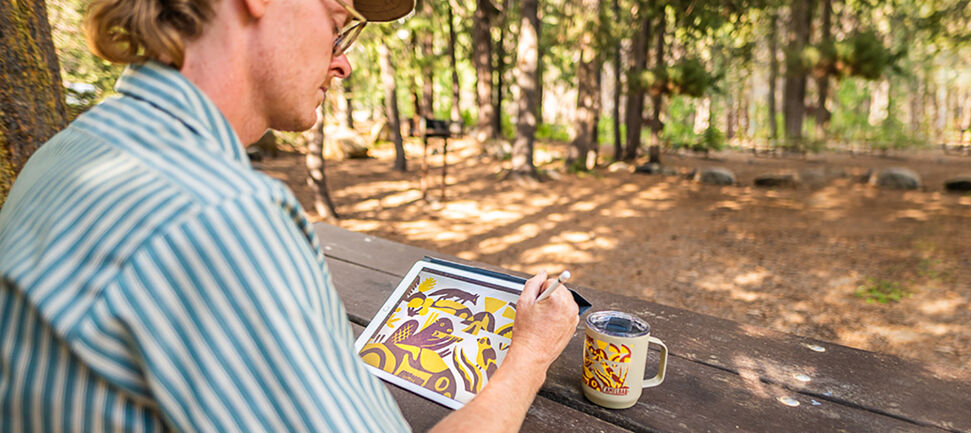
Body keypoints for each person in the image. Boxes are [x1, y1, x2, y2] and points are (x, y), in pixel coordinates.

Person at [0, 0, 579, 431]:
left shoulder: (72, 152)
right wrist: (530, 353)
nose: (343, 63)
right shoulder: (220, 214)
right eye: (337, 23)